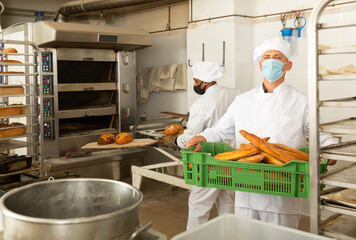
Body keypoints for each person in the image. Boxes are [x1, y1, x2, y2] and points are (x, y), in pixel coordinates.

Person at [186, 38, 338, 229]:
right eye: (266, 57)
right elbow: (220, 130)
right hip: (246, 188)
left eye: (278, 57)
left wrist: (330, 149)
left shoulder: (301, 101)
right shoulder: (243, 100)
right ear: (260, 65)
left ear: (288, 65)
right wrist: (202, 137)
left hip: (283, 193)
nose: (271, 61)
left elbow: (321, 135)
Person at [164, 61, 240, 230]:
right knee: (228, 203)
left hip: (209, 161)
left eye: (195, 81)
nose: (194, 84)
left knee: (199, 204)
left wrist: (175, 140)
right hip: (232, 158)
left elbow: (192, 137)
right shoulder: (235, 93)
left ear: (204, 82)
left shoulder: (202, 104)